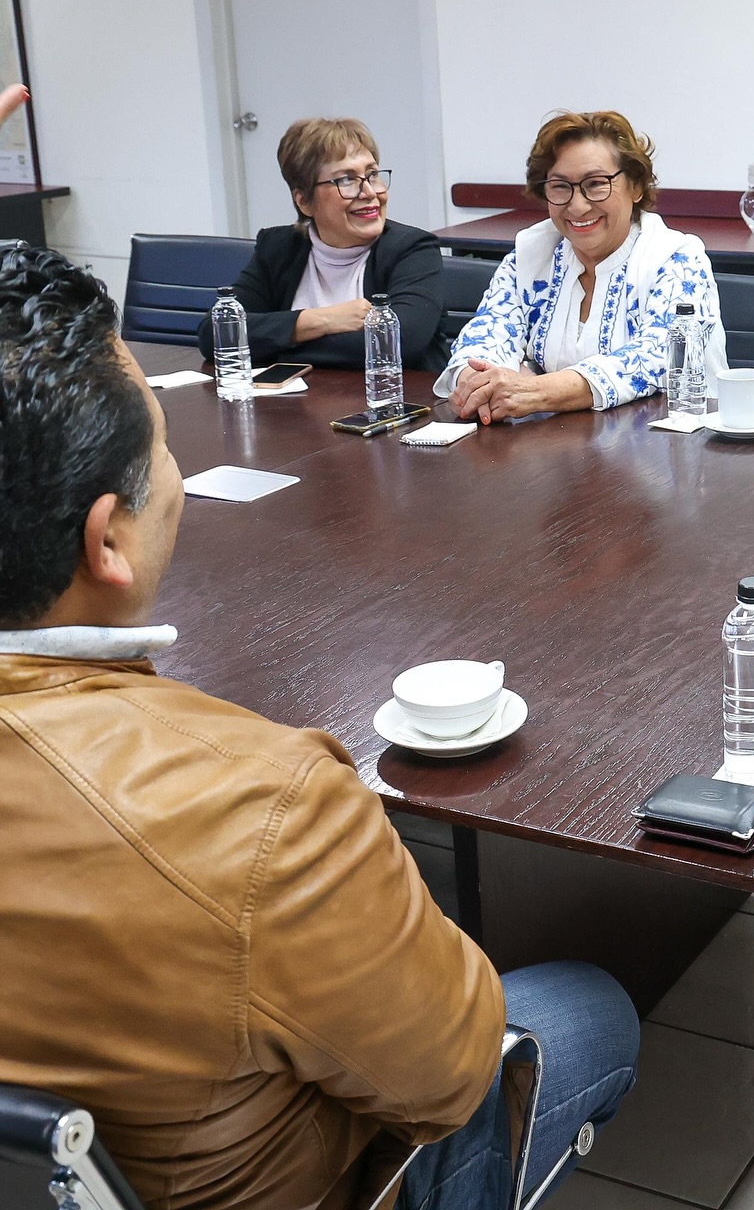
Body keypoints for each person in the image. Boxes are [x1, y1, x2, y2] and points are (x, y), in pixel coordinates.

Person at [0, 243, 639, 1208]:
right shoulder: (262, 806)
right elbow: (450, 1071)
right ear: (108, 540)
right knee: (586, 1008)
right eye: (165, 447)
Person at [437, 110, 726, 422]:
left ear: (636, 187)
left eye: (596, 183)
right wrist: (478, 384)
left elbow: (655, 360)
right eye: (560, 186)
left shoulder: (676, 257)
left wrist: (532, 390)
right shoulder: (531, 256)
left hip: (671, 451)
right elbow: (484, 335)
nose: (578, 205)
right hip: (559, 448)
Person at [198, 117, 451, 371]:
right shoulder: (279, 248)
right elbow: (216, 334)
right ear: (305, 201)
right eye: (346, 180)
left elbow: (398, 341)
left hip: (394, 404)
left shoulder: (412, 249)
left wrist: (276, 347)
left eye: (372, 175)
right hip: (296, 406)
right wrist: (321, 320)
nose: (370, 193)